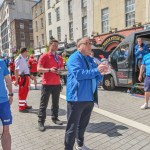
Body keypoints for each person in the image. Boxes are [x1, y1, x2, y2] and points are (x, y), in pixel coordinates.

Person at [64, 37, 108, 150]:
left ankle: (80, 144)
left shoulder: (89, 59)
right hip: (77, 98)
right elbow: (79, 74)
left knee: (83, 125)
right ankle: (68, 148)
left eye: (90, 43)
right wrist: (96, 71)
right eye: (87, 43)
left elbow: (96, 75)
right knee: (72, 127)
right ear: (79, 46)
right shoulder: (74, 57)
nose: (90, 46)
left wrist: (101, 73)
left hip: (89, 97)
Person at [37, 39, 64, 131]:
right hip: (47, 84)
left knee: (55, 103)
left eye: (57, 45)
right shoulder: (44, 56)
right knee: (43, 104)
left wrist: (60, 71)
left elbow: (62, 69)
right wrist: (49, 70)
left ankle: (55, 118)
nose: (56, 47)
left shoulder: (59, 58)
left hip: (57, 83)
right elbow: (38, 69)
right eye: (54, 45)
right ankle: (41, 121)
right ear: (50, 45)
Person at [0, 59, 13, 150]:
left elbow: (7, 79)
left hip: (3, 101)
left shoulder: (1, 62)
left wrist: (11, 93)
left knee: (6, 130)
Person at [14, 47, 32, 113]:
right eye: (27, 51)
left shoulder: (25, 58)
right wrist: (16, 80)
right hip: (22, 77)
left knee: (25, 92)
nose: (27, 52)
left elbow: (26, 68)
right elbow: (16, 70)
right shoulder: (19, 59)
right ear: (24, 52)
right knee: (22, 93)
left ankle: (24, 105)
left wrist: (30, 76)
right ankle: (21, 108)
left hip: (26, 77)